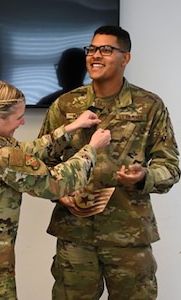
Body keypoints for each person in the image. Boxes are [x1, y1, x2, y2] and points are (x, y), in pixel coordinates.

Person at [37, 25, 180, 300]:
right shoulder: (66, 105)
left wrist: (144, 176)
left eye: (106, 49)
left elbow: (170, 166)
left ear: (125, 58)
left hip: (128, 235)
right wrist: (61, 191)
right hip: (75, 234)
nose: (95, 55)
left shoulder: (149, 106)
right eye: (91, 49)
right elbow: (42, 162)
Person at [0, 79, 111, 300]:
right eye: (18, 117)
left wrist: (71, 128)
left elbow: (24, 153)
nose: (22, 122)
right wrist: (91, 149)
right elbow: (55, 183)